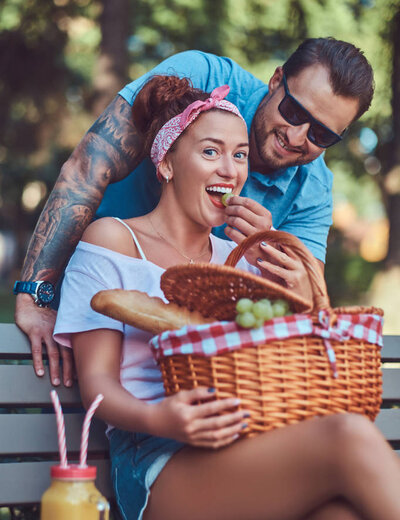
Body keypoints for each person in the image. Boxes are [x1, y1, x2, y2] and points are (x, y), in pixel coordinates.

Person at [53, 75, 400, 520]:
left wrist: (280, 268)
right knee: (346, 435)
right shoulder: (114, 241)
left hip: (247, 459)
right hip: (159, 470)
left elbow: (283, 376)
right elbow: (96, 386)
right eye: (210, 151)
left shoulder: (237, 267)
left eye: (239, 156)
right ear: (166, 162)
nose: (229, 169)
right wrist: (160, 417)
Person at [14, 37, 374, 386]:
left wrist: (271, 252)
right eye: (294, 111)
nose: (297, 137)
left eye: (322, 135)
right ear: (276, 80)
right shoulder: (200, 78)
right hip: (88, 303)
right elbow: (86, 170)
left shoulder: (312, 191)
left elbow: (304, 307)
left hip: (184, 373)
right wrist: (36, 295)